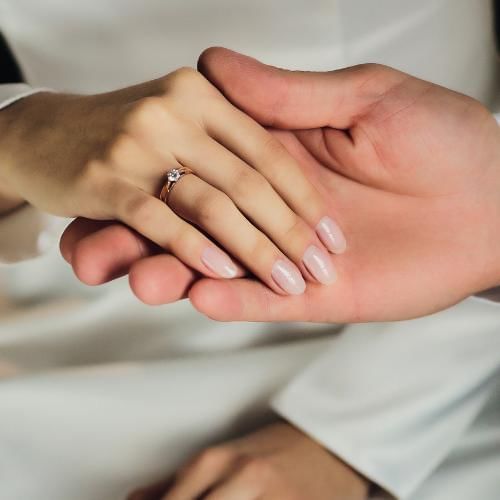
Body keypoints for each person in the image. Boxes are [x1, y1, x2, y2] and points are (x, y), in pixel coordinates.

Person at [1, 2, 499, 500]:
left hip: (434, 344)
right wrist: (16, 135)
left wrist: (350, 437)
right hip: (64, 305)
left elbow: (467, 204)